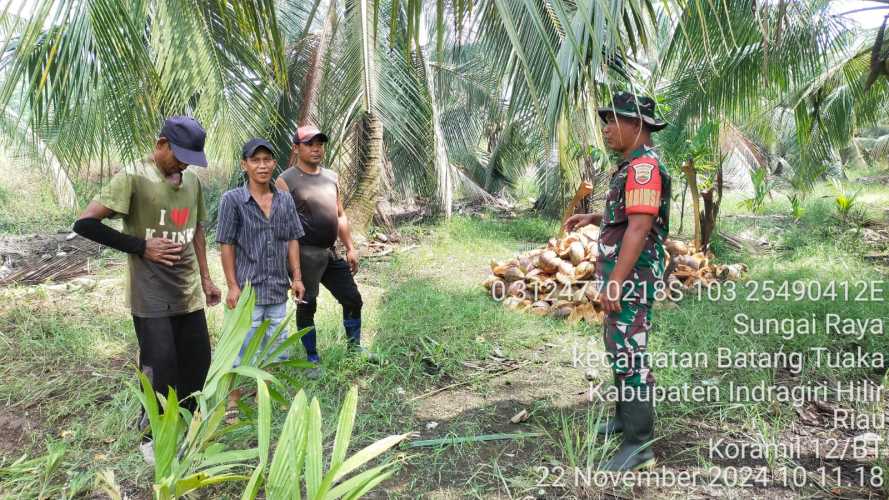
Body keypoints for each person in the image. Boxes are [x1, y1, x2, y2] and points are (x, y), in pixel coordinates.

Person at [72, 116, 222, 463]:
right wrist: (141, 245)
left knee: (198, 366)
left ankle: (182, 428)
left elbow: (197, 231)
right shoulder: (134, 176)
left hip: (188, 293)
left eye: (190, 157)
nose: (183, 162)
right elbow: (85, 223)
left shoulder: (192, 184)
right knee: (161, 367)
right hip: (151, 295)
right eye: (178, 154)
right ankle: (151, 436)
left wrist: (207, 277)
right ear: (161, 144)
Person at [564, 92, 671, 471]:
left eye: (614, 121)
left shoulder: (644, 168)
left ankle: (640, 445)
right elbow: (629, 217)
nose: (607, 129)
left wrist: (616, 283)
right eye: (606, 120)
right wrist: (594, 219)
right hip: (625, 274)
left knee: (629, 352)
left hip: (632, 276)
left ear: (638, 125)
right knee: (618, 344)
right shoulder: (630, 166)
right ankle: (626, 421)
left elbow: (641, 227)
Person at [275, 125, 374, 379]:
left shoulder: (331, 176)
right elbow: (284, 228)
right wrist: (293, 270)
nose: (316, 148)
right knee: (307, 305)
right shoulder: (286, 180)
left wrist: (350, 248)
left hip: (330, 252)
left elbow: (340, 215)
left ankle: (354, 349)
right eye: (309, 144)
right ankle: (311, 358)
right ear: (296, 148)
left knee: (352, 298)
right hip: (304, 253)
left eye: (319, 143)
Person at [216, 138, 305, 417]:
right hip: (247, 291)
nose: (262, 165)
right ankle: (233, 401)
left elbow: (292, 239)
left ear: (274, 163)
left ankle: (267, 395)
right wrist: (232, 285)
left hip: (278, 288)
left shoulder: (284, 200)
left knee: (277, 346)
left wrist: (298, 278)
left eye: (267, 159)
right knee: (241, 347)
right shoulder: (233, 200)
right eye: (255, 160)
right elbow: (226, 244)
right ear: (245, 165)